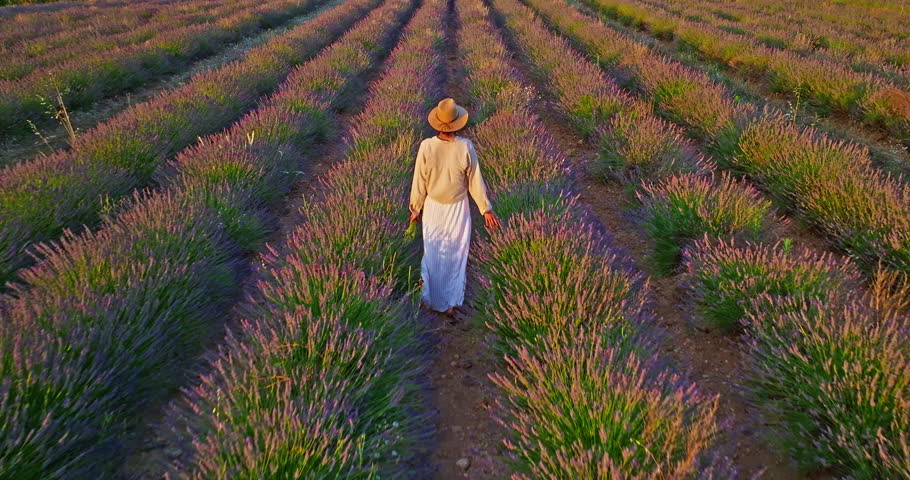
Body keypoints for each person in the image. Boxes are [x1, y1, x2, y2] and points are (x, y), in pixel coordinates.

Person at [409, 97, 501, 318]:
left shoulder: (427, 146)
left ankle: (430, 299)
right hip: (458, 209)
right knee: (456, 255)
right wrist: (485, 208)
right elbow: (474, 181)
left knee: (433, 253)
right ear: (457, 123)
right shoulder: (465, 147)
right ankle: (450, 303)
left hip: (433, 208)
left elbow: (419, 180)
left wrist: (415, 208)